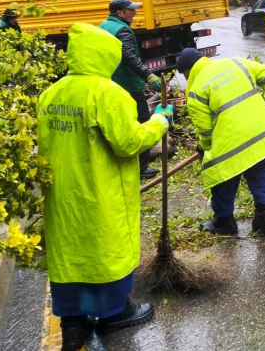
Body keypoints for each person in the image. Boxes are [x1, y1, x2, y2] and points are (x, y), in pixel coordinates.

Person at [37, 23, 174, 351]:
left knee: (71, 252)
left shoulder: (51, 93)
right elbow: (129, 143)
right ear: (105, 57)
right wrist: (160, 120)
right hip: (101, 189)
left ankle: (73, 325)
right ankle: (115, 313)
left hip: (62, 192)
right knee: (106, 249)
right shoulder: (109, 94)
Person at [175, 47, 265, 236]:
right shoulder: (235, 62)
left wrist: (203, 148)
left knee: (223, 179)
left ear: (189, 70)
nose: (187, 79)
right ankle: (264, 217)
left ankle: (224, 222)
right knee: (260, 175)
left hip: (230, 142)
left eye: (185, 75)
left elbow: (205, 131)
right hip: (259, 133)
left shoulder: (195, 91)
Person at [99, 0, 163, 180]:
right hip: (128, 84)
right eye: (131, 10)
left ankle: (118, 161)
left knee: (118, 122)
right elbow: (128, 56)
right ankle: (141, 168)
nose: (134, 12)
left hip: (111, 82)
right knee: (142, 121)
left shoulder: (103, 27)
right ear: (120, 13)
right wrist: (148, 75)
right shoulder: (123, 30)